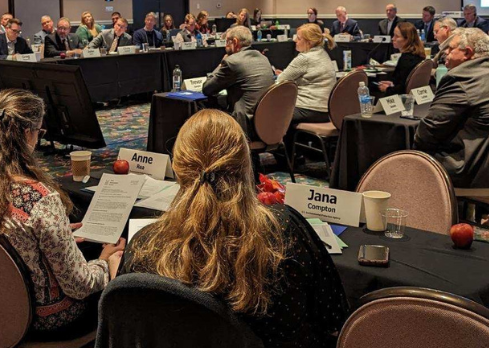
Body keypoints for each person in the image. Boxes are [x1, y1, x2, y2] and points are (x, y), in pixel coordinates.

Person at [120, 110, 348, 348]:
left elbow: (127, 323)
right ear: (245, 164)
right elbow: (333, 316)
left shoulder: (143, 245)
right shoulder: (284, 229)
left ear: (178, 169)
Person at [0, 89, 124, 337]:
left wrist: (48, 236)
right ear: (27, 133)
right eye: (39, 132)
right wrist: (106, 262)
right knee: (123, 268)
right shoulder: (40, 200)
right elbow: (80, 286)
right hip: (49, 320)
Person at [414, 28, 489, 189]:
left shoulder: (459, 78)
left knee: (404, 159)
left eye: (451, 49)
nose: (445, 53)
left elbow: (429, 131)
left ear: (467, 53)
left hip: (480, 168)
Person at [202, 26, 274, 135]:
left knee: (202, 104)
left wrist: (221, 64)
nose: (225, 46)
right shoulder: (263, 58)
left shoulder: (232, 62)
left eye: (226, 42)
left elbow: (207, 88)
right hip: (268, 122)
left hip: (246, 126)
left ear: (235, 42)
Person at [276, 24, 336, 127]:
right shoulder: (323, 53)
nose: (295, 40)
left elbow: (280, 82)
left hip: (308, 109)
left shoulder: (304, 58)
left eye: (298, 38)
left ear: (309, 42)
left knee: (268, 113)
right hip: (326, 111)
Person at [378, 22, 425, 96]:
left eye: (397, 36)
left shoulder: (406, 60)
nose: (393, 38)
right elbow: (404, 82)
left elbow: (401, 90)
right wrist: (392, 84)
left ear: (407, 39)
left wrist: (386, 89)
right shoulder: (418, 55)